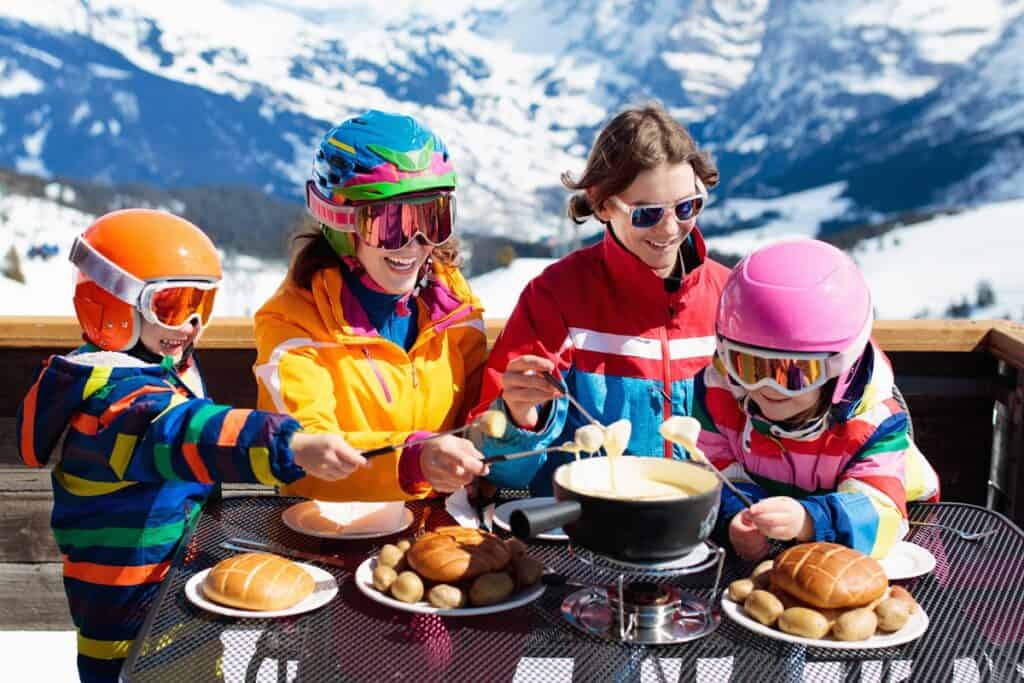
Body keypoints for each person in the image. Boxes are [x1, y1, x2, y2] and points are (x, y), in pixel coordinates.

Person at [16, 209, 367, 682]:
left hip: (173, 607)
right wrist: (289, 443)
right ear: (112, 304)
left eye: (204, 301)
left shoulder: (151, 373)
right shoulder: (112, 404)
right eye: (172, 305)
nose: (193, 323)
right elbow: (187, 431)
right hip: (133, 635)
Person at [470, 102, 731, 494]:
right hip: (587, 527)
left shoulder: (730, 300)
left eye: (686, 207)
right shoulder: (557, 297)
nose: (671, 227)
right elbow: (503, 471)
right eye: (647, 214)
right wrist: (520, 418)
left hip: (700, 525)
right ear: (603, 204)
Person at [254, 110, 489, 501]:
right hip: (332, 530)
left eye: (431, 219)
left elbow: (478, 407)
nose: (413, 243)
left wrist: (516, 413)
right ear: (342, 223)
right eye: (390, 224)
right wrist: (411, 460)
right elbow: (307, 447)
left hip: (440, 523)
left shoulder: (450, 303)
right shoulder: (294, 321)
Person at [693, 238, 940, 560]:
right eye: (749, 366)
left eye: (793, 374)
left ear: (842, 368)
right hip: (775, 558)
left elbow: (882, 510)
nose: (769, 387)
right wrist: (738, 515)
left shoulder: (873, 425)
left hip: (885, 553)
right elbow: (713, 468)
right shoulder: (720, 397)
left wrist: (810, 520)